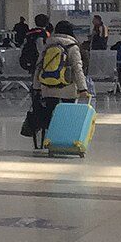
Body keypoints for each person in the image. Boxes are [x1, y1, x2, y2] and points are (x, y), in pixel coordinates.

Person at [28, 19, 90, 149]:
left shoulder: (48, 45)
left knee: (51, 113)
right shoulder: (72, 46)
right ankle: (64, 142)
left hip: (48, 87)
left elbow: (38, 67)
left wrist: (36, 87)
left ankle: (50, 142)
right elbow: (77, 68)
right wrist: (82, 88)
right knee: (67, 115)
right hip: (67, 87)